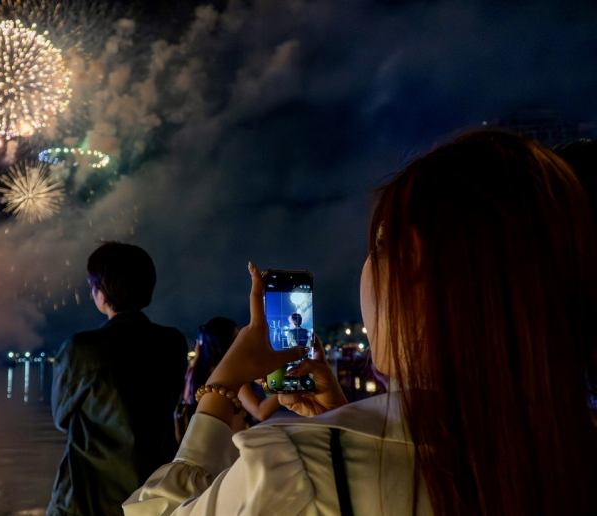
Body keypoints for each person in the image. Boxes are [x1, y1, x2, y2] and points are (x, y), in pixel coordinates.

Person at [123, 131, 597, 515]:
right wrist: (341, 422)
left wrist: (222, 384)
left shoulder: (293, 467)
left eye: (375, 249)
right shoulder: (570, 449)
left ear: (410, 259)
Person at [47, 242, 188, 516]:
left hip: (87, 499)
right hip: (155, 495)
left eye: (93, 286)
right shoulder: (173, 343)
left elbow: (61, 418)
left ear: (102, 292)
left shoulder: (80, 349)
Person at [178, 317, 285, 436]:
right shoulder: (229, 375)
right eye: (237, 339)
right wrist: (288, 384)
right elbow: (260, 411)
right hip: (231, 442)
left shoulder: (194, 374)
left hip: (205, 441)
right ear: (226, 344)